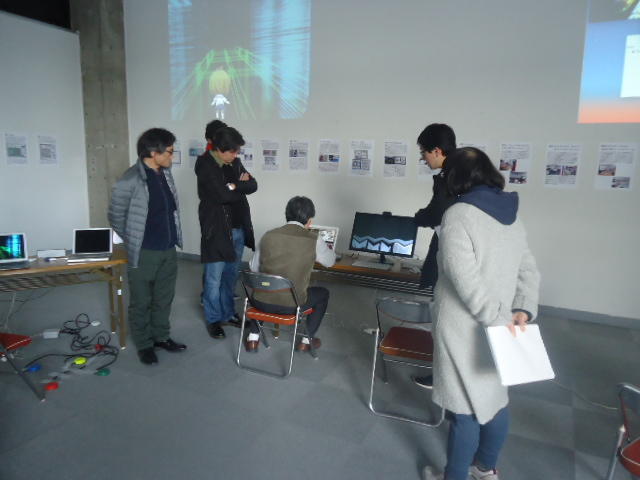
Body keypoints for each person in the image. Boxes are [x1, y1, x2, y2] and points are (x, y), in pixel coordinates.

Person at [421, 147, 541, 480]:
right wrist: (521, 309)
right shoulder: (512, 214)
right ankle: (486, 468)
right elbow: (528, 270)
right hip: (503, 325)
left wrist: (495, 318)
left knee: (464, 411)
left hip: (463, 327)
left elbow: (464, 280)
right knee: (496, 400)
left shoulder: (458, 214)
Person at [108, 128, 186, 365]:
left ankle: (161, 336)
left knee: (164, 298)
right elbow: (115, 215)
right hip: (144, 252)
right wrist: (133, 239)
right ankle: (144, 344)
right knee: (141, 301)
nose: (172, 156)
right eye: (169, 152)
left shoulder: (165, 174)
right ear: (153, 152)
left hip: (168, 249)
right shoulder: (130, 179)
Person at [245, 196, 335, 353]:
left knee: (264, 286)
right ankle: (306, 341)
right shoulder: (314, 239)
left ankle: (253, 338)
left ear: (286, 215)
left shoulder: (268, 235)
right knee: (323, 293)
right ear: (309, 221)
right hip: (292, 306)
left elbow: (253, 268)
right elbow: (330, 262)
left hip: (259, 302)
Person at [195, 126, 257, 340]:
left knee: (230, 276)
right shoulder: (205, 164)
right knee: (213, 279)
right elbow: (222, 195)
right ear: (220, 149)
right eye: (232, 151)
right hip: (217, 230)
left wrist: (233, 185)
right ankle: (213, 319)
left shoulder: (235, 162)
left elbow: (253, 185)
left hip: (238, 229)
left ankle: (228, 314)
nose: (236, 155)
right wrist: (238, 186)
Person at [412, 123, 458, 390]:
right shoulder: (459, 173)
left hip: (452, 252)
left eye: (424, 152)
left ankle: (444, 377)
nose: (423, 158)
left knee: (445, 316)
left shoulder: (449, 177)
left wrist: (419, 218)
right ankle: (445, 373)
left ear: (437, 150)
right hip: (453, 247)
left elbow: (436, 211)